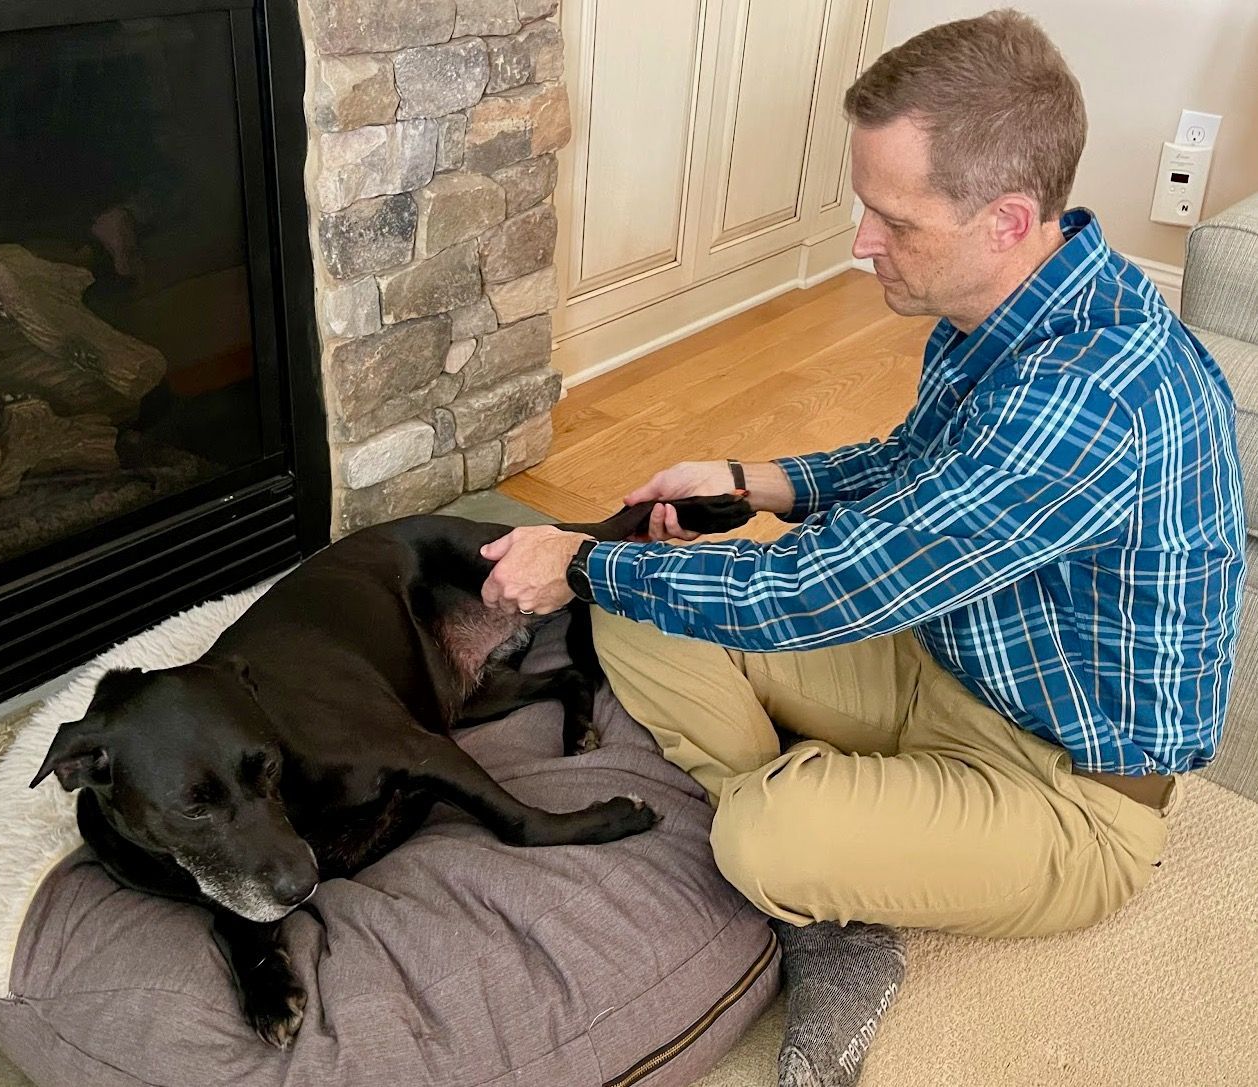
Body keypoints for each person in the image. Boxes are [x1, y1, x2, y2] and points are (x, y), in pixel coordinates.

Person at [480, 10, 1246, 1086]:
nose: (860, 242)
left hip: (1070, 793)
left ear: (1007, 218)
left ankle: (819, 871)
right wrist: (752, 480)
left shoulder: (1088, 402)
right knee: (645, 609)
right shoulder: (1014, 305)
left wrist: (579, 557)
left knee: (756, 834)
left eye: (893, 219)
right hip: (944, 663)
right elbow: (913, 461)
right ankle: (840, 838)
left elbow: (820, 590)